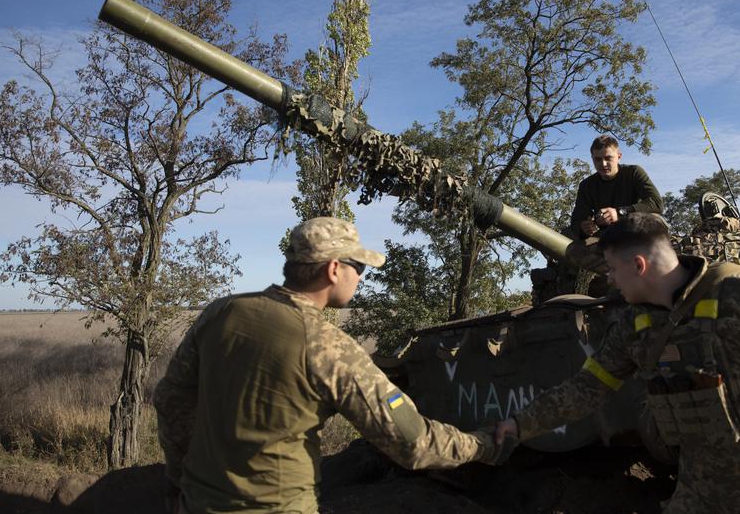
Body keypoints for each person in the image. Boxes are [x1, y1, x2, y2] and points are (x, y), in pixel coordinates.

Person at [495, 213, 740, 513]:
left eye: (613, 270)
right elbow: (587, 388)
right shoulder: (635, 324)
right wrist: (520, 424)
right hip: (701, 490)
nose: (610, 281)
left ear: (639, 266)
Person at [154, 217, 500, 514]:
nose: (361, 278)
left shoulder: (221, 312)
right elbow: (413, 443)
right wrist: (483, 444)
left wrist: (177, 480)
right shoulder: (328, 346)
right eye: (359, 267)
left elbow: (171, 399)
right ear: (334, 269)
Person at [570, 135, 663, 239]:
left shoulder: (634, 173)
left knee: (657, 220)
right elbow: (576, 221)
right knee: (573, 248)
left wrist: (619, 213)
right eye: (598, 159)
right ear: (592, 158)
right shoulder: (587, 185)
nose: (603, 164)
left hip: (636, 232)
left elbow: (656, 203)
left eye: (608, 158)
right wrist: (583, 227)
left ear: (619, 156)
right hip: (607, 238)